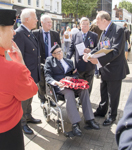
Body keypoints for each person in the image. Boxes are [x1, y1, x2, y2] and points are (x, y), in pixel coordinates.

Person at [0, 9, 38, 150]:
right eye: (11, 28)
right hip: (7, 133)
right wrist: (21, 63)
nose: (14, 32)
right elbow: (31, 90)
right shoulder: (13, 69)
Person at [83, 11, 129, 126]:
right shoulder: (104, 31)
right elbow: (99, 47)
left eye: (98, 21)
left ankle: (112, 116)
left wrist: (98, 60)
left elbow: (116, 51)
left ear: (104, 20)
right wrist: (90, 55)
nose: (96, 23)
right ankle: (102, 110)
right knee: (103, 91)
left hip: (115, 69)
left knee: (113, 94)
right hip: (105, 68)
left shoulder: (118, 30)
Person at [44, 44, 100, 137]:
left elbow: (75, 74)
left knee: (84, 90)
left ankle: (90, 119)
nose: (60, 53)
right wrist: (57, 83)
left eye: (60, 51)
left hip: (71, 84)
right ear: (53, 55)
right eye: (57, 53)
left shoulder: (69, 61)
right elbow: (47, 76)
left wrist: (71, 77)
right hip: (60, 86)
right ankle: (75, 124)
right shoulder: (49, 61)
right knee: (69, 93)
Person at [14, 8, 41, 134]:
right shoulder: (19, 33)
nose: (37, 19)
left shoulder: (29, 32)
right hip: (25, 75)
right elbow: (18, 58)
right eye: (35, 17)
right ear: (27, 19)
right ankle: (22, 122)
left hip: (32, 73)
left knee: (30, 97)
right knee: (24, 99)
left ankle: (28, 116)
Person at [33, 14, 61, 107]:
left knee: (51, 82)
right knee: (41, 83)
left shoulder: (55, 34)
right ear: (42, 23)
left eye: (51, 22)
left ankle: (51, 99)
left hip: (52, 63)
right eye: (48, 22)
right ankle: (42, 99)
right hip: (40, 63)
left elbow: (59, 47)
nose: (50, 24)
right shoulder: (35, 33)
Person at [67, 17, 98, 95]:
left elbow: (97, 49)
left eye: (87, 24)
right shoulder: (75, 35)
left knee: (88, 85)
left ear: (89, 25)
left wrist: (91, 51)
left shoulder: (94, 36)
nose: (85, 26)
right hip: (79, 66)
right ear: (80, 25)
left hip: (90, 65)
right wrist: (66, 60)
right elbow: (71, 49)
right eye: (83, 24)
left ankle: (86, 101)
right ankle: (81, 99)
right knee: (80, 85)